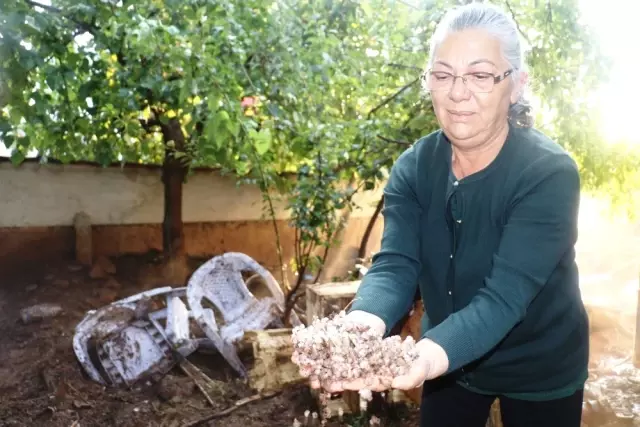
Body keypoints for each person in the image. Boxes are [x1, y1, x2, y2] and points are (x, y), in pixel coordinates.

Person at [311, 3, 590, 427]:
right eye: (442, 75)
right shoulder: (413, 167)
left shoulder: (547, 173)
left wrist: (424, 357)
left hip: (539, 361)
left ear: (515, 85)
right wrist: (364, 322)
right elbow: (397, 263)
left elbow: (503, 298)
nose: (458, 93)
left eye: (480, 75)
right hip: (449, 359)